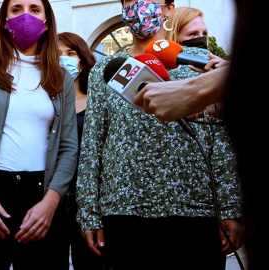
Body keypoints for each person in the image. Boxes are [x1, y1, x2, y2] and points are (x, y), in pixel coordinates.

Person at [76, 1, 243, 269]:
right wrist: (89, 213)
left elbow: (220, 141)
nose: (139, 7)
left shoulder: (199, 61)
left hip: (195, 208)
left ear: (168, 8)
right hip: (124, 209)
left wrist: (231, 208)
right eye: (131, 1)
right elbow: (93, 143)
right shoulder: (106, 69)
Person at [0, 0, 78, 269]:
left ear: (47, 20)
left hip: (41, 198)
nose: (26, 16)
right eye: (16, 9)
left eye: (34, 9)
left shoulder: (61, 78)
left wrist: (51, 202)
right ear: (5, 21)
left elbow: (68, 147)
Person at [57, 32, 101, 270]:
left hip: (90, 204)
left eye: (70, 53)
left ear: (82, 60)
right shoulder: (44, 103)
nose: (63, 59)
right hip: (53, 201)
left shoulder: (97, 101)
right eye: (57, 54)